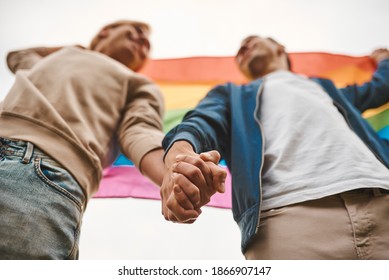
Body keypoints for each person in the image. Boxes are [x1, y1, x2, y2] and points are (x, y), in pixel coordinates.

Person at [0, 19, 224, 259]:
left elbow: (140, 133)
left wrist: (173, 174)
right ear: (106, 31)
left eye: (147, 44)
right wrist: (79, 49)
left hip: (40, 170)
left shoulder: (138, 84)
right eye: (137, 31)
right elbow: (18, 56)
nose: (143, 41)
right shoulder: (53, 59)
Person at [160, 35, 389, 259]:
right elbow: (202, 121)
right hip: (286, 220)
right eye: (239, 50)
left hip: (382, 199)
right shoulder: (233, 95)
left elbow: (380, 89)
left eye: (252, 40)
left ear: (280, 47)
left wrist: (384, 60)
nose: (243, 47)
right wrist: (179, 158)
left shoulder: (325, 87)